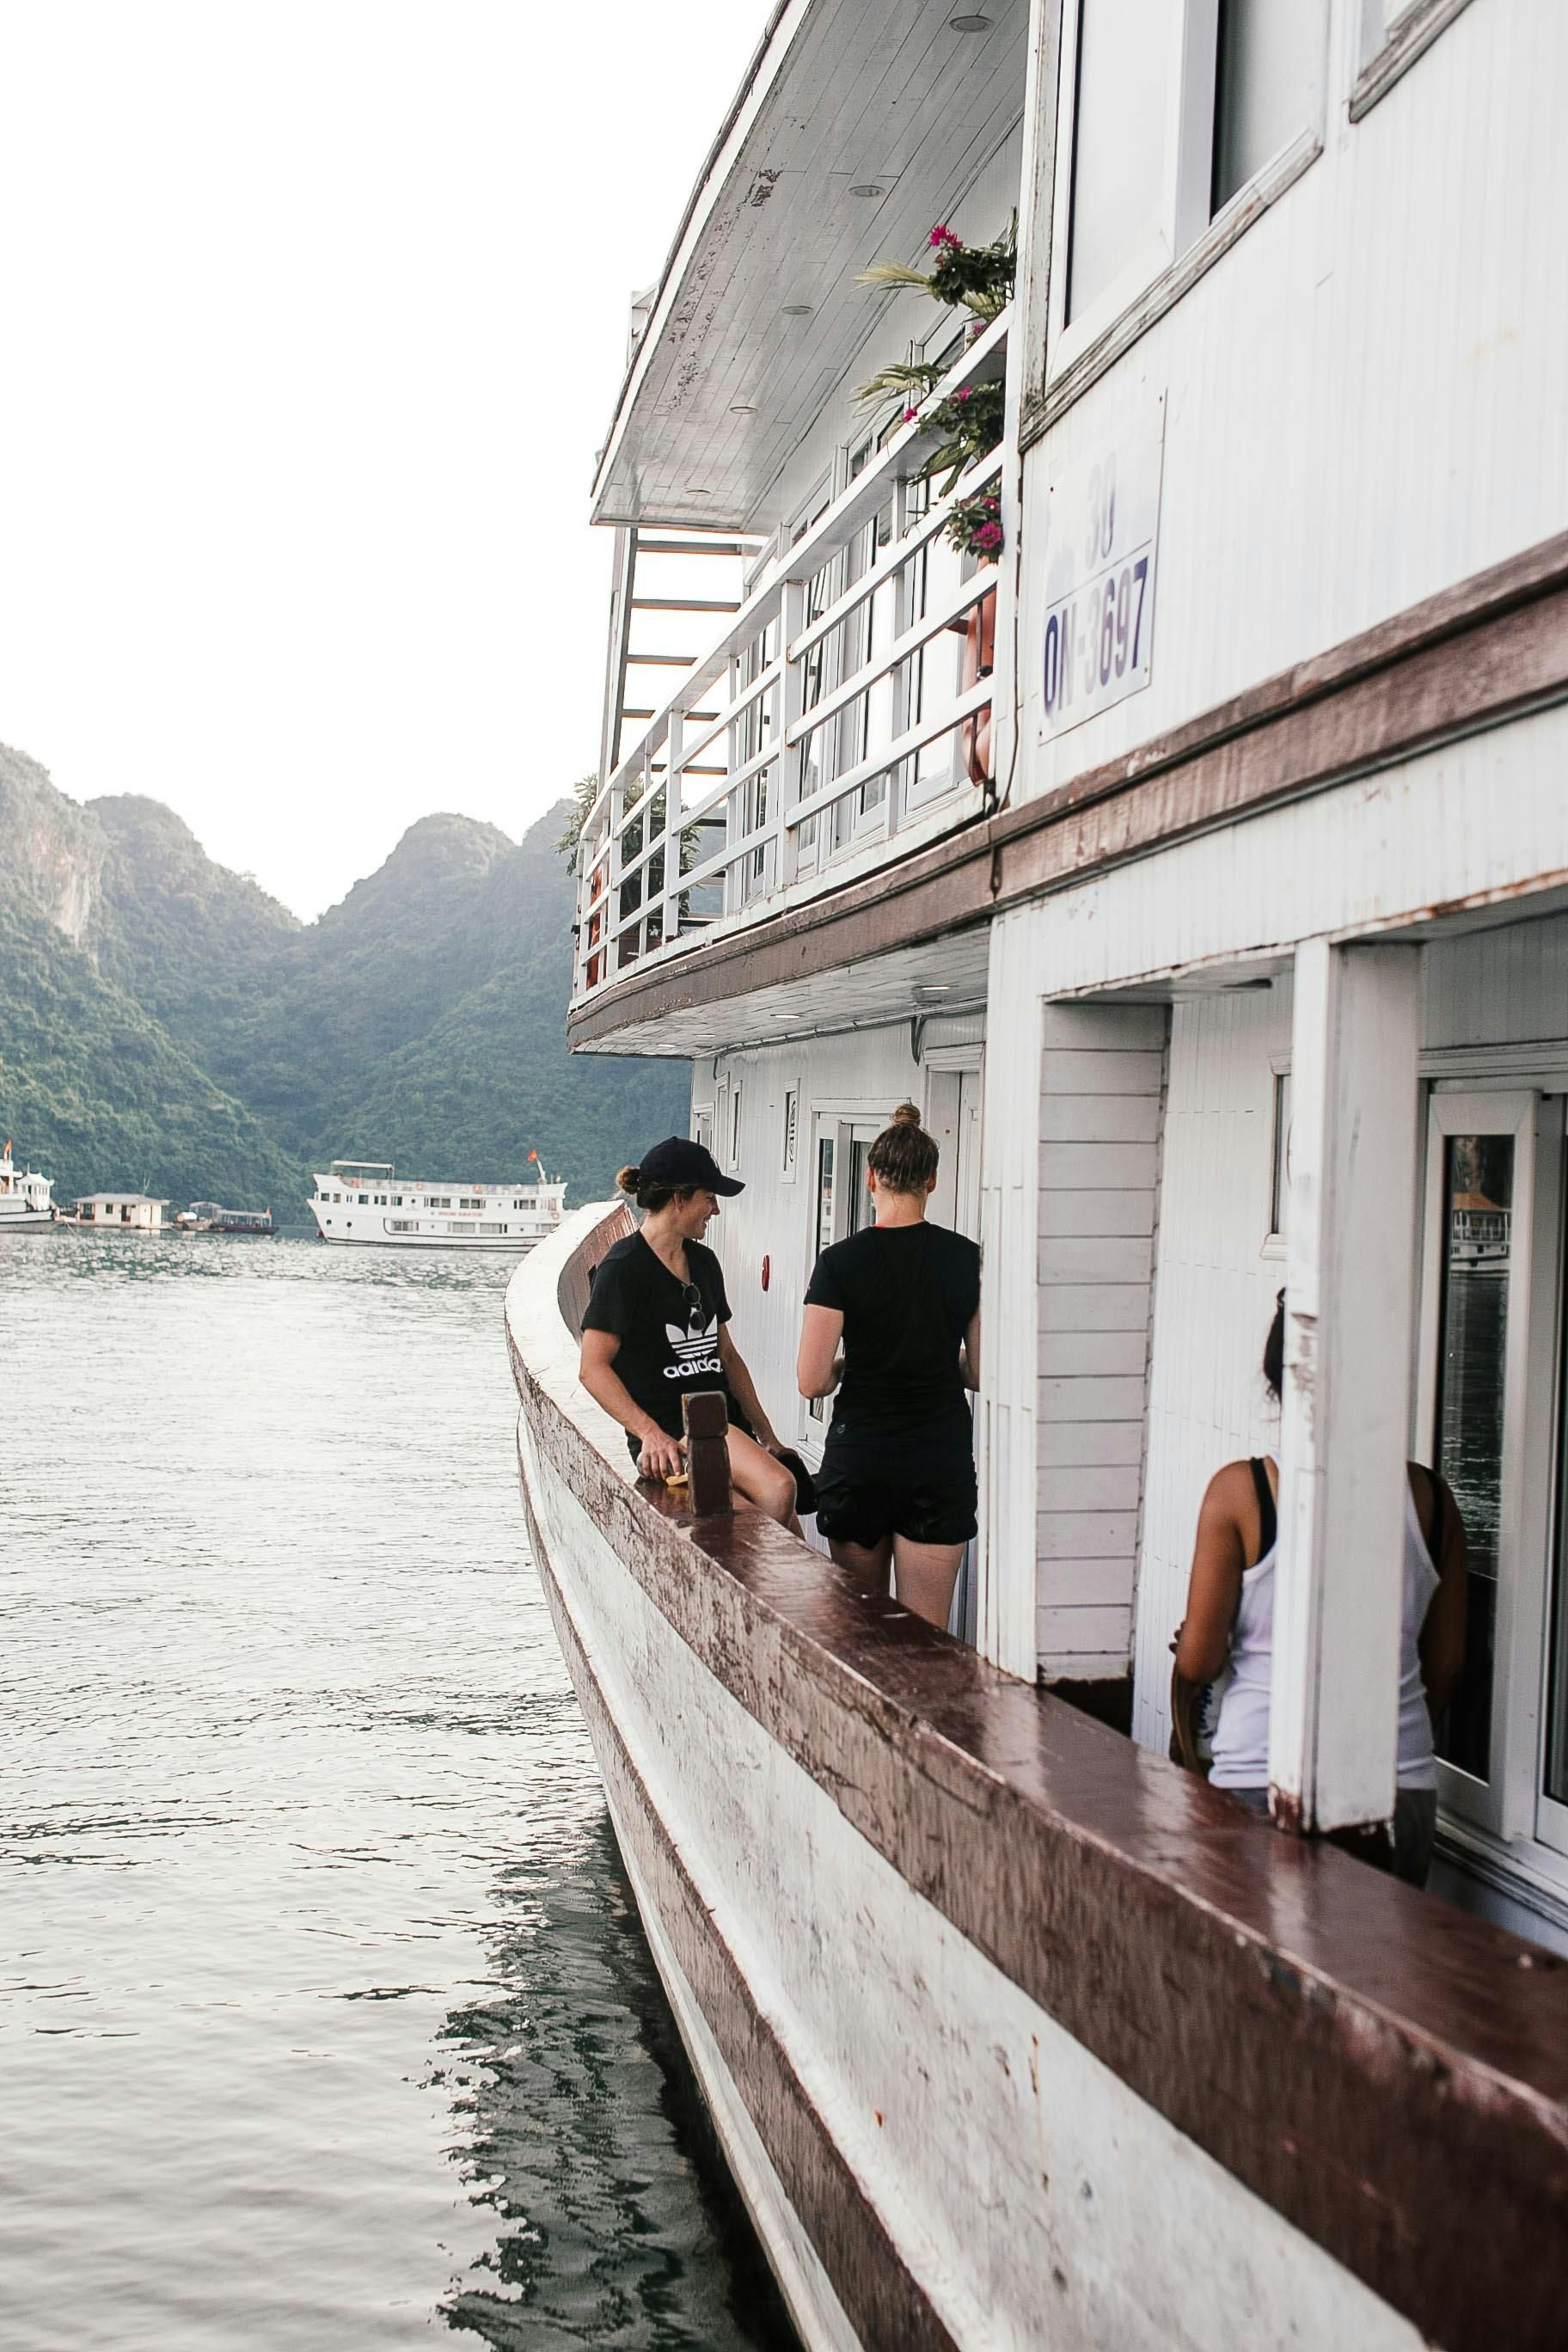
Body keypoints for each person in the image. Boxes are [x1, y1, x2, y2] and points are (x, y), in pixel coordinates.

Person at [1173, 1290, 1467, 1887]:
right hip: (1401, 1784)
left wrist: (1187, 1740)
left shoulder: (1243, 1493)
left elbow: (1199, 1660)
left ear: (1276, 1374)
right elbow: (1447, 1664)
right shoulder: (1432, 1501)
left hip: (1260, 1771)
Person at [796, 1104, 981, 1629]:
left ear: (872, 1177)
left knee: (862, 1635)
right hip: (937, 1458)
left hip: (861, 1460)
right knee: (926, 1639)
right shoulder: (968, 1260)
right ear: (932, 1180)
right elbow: (981, 1373)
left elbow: (812, 1380)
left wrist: (848, 1362)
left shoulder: (839, 1263)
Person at [579, 1136, 799, 1526]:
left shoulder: (705, 1261)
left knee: (787, 1541)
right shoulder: (623, 1270)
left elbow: (727, 1356)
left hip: (729, 1429)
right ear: (679, 1198)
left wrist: (768, 1437)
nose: (715, 1209)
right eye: (709, 1197)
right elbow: (593, 1368)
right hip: (674, 1434)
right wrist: (648, 1433)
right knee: (779, 1490)